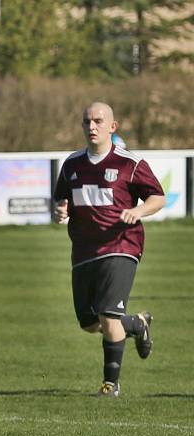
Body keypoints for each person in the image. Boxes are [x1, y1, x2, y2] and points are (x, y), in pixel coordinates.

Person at [53, 102, 165, 397]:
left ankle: (110, 384)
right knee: (90, 323)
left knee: (107, 316)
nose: (92, 126)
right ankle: (137, 324)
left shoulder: (130, 163)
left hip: (121, 245)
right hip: (83, 251)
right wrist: (60, 211)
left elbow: (157, 197)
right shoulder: (72, 164)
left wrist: (138, 213)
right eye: (87, 121)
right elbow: (61, 200)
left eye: (99, 121)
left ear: (112, 127)